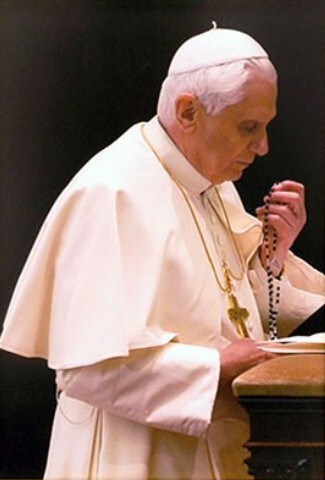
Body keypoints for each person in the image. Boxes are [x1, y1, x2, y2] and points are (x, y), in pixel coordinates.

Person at [1, 24, 324, 480]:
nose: (263, 146)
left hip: (222, 445)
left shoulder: (213, 183)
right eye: (248, 127)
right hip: (137, 456)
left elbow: (223, 311)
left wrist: (271, 260)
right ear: (188, 111)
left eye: (265, 127)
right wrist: (215, 368)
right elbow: (84, 370)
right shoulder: (112, 193)